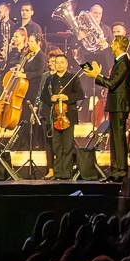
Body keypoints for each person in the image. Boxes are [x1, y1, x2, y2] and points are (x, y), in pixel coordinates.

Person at [85, 35, 130, 182]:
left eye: (113, 43)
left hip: (119, 105)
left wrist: (97, 76)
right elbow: (113, 82)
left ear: (118, 45)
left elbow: (112, 84)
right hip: (116, 105)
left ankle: (121, 171)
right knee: (115, 139)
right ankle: (115, 169)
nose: (111, 45)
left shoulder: (124, 62)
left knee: (118, 139)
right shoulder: (120, 62)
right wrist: (99, 75)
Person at [43, 49, 82, 180]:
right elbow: (44, 96)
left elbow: (80, 94)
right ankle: (58, 172)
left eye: (61, 63)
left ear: (66, 64)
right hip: (55, 117)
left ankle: (67, 173)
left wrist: (67, 97)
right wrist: (51, 98)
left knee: (67, 145)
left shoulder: (73, 78)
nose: (59, 65)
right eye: (57, 63)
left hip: (68, 117)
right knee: (57, 146)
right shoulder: (50, 79)